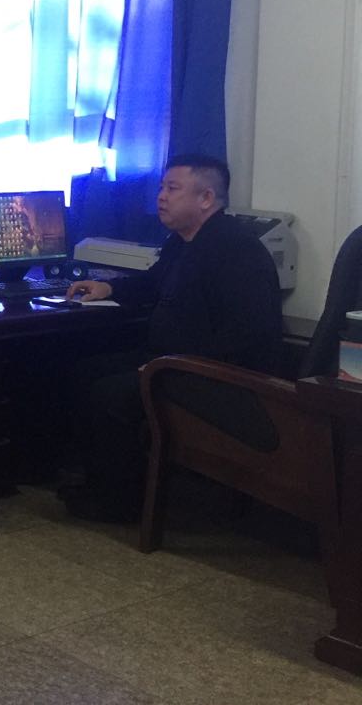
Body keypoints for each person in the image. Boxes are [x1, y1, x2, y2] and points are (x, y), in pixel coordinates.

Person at [61, 153, 284, 522]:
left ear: (206, 198)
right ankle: (94, 480)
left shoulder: (236, 250)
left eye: (173, 189)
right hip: (170, 361)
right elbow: (155, 281)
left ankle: (120, 503)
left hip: (216, 378)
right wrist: (109, 288)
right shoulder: (183, 242)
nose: (161, 196)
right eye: (162, 187)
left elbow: (246, 337)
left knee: (109, 394)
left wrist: (171, 367)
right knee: (83, 372)